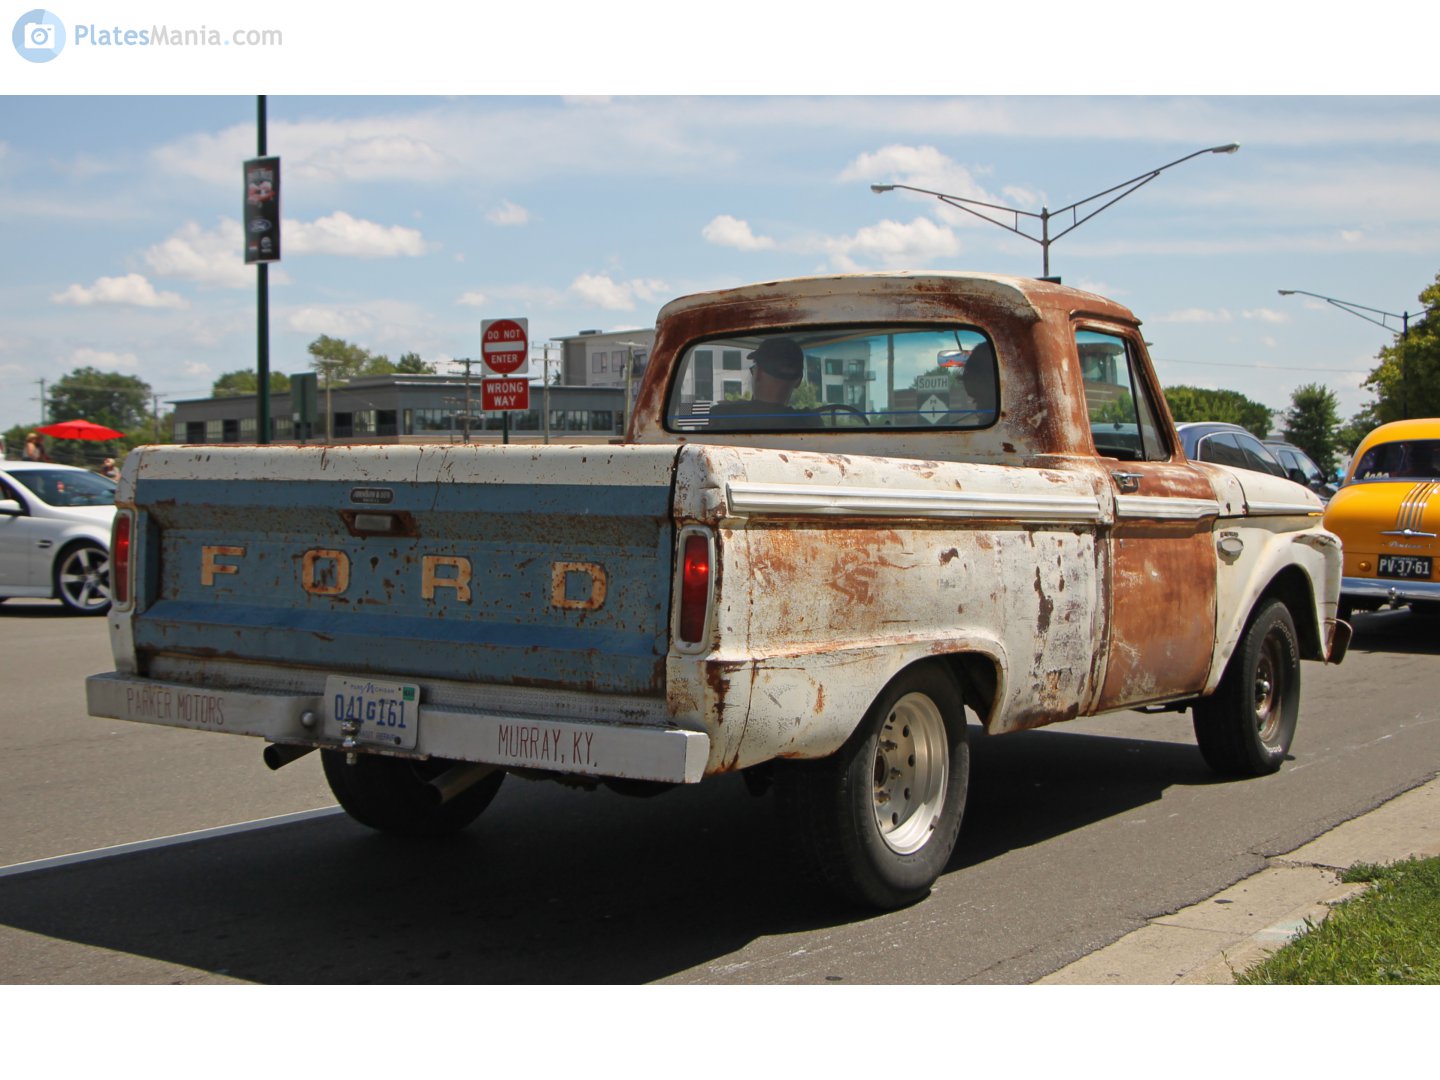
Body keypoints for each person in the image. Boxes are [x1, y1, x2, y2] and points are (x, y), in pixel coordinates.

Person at [707, 338, 820, 430]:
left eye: (753, 370)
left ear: (759, 374)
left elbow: (690, 417)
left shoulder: (720, 416)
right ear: (798, 381)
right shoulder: (811, 421)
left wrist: (735, 408)